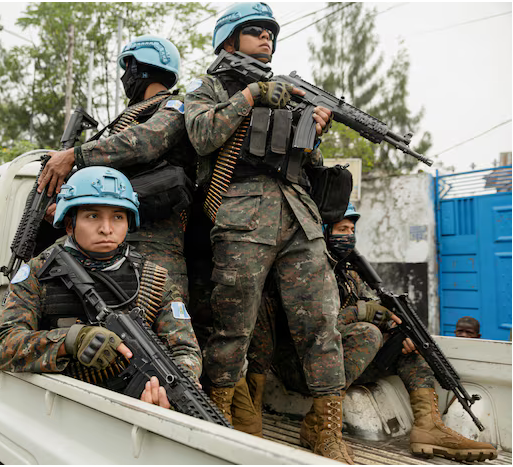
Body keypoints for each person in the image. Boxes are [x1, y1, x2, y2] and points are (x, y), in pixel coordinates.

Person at [183, 3, 346, 461]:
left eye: (271, 32)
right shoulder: (210, 88)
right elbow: (199, 134)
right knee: (233, 325)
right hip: (242, 212)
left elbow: (305, 164)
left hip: (299, 213)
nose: (267, 38)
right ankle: (220, 417)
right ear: (228, 41)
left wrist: (314, 130)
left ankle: (325, 426)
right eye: (255, 31)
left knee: (321, 322)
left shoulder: (293, 95)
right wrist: (250, 95)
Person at [271, 203, 497, 462]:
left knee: (412, 343)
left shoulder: (350, 273)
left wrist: (392, 326)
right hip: (303, 366)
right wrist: (361, 314)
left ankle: (428, 426)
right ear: (324, 230)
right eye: (341, 228)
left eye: (352, 229)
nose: (349, 235)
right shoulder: (304, 268)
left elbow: (375, 310)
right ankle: (318, 424)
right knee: (367, 333)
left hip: (340, 364)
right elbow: (312, 327)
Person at [0, 167, 202, 409]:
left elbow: (186, 349)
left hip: (136, 408)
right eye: (93, 216)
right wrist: (71, 340)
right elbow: (4, 345)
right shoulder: (37, 273)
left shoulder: (154, 277)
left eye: (118, 217)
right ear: (69, 224)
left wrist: (169, 386)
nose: (106, 228)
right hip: (60, 405)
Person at [37, 35, 196, 303]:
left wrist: (75, 155)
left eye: (127, 69)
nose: (125, 78)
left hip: (154, 242)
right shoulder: (127, 117)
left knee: (158, 333)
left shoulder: (174, 106)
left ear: (138, 69)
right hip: (108, 245)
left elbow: (145, 142)